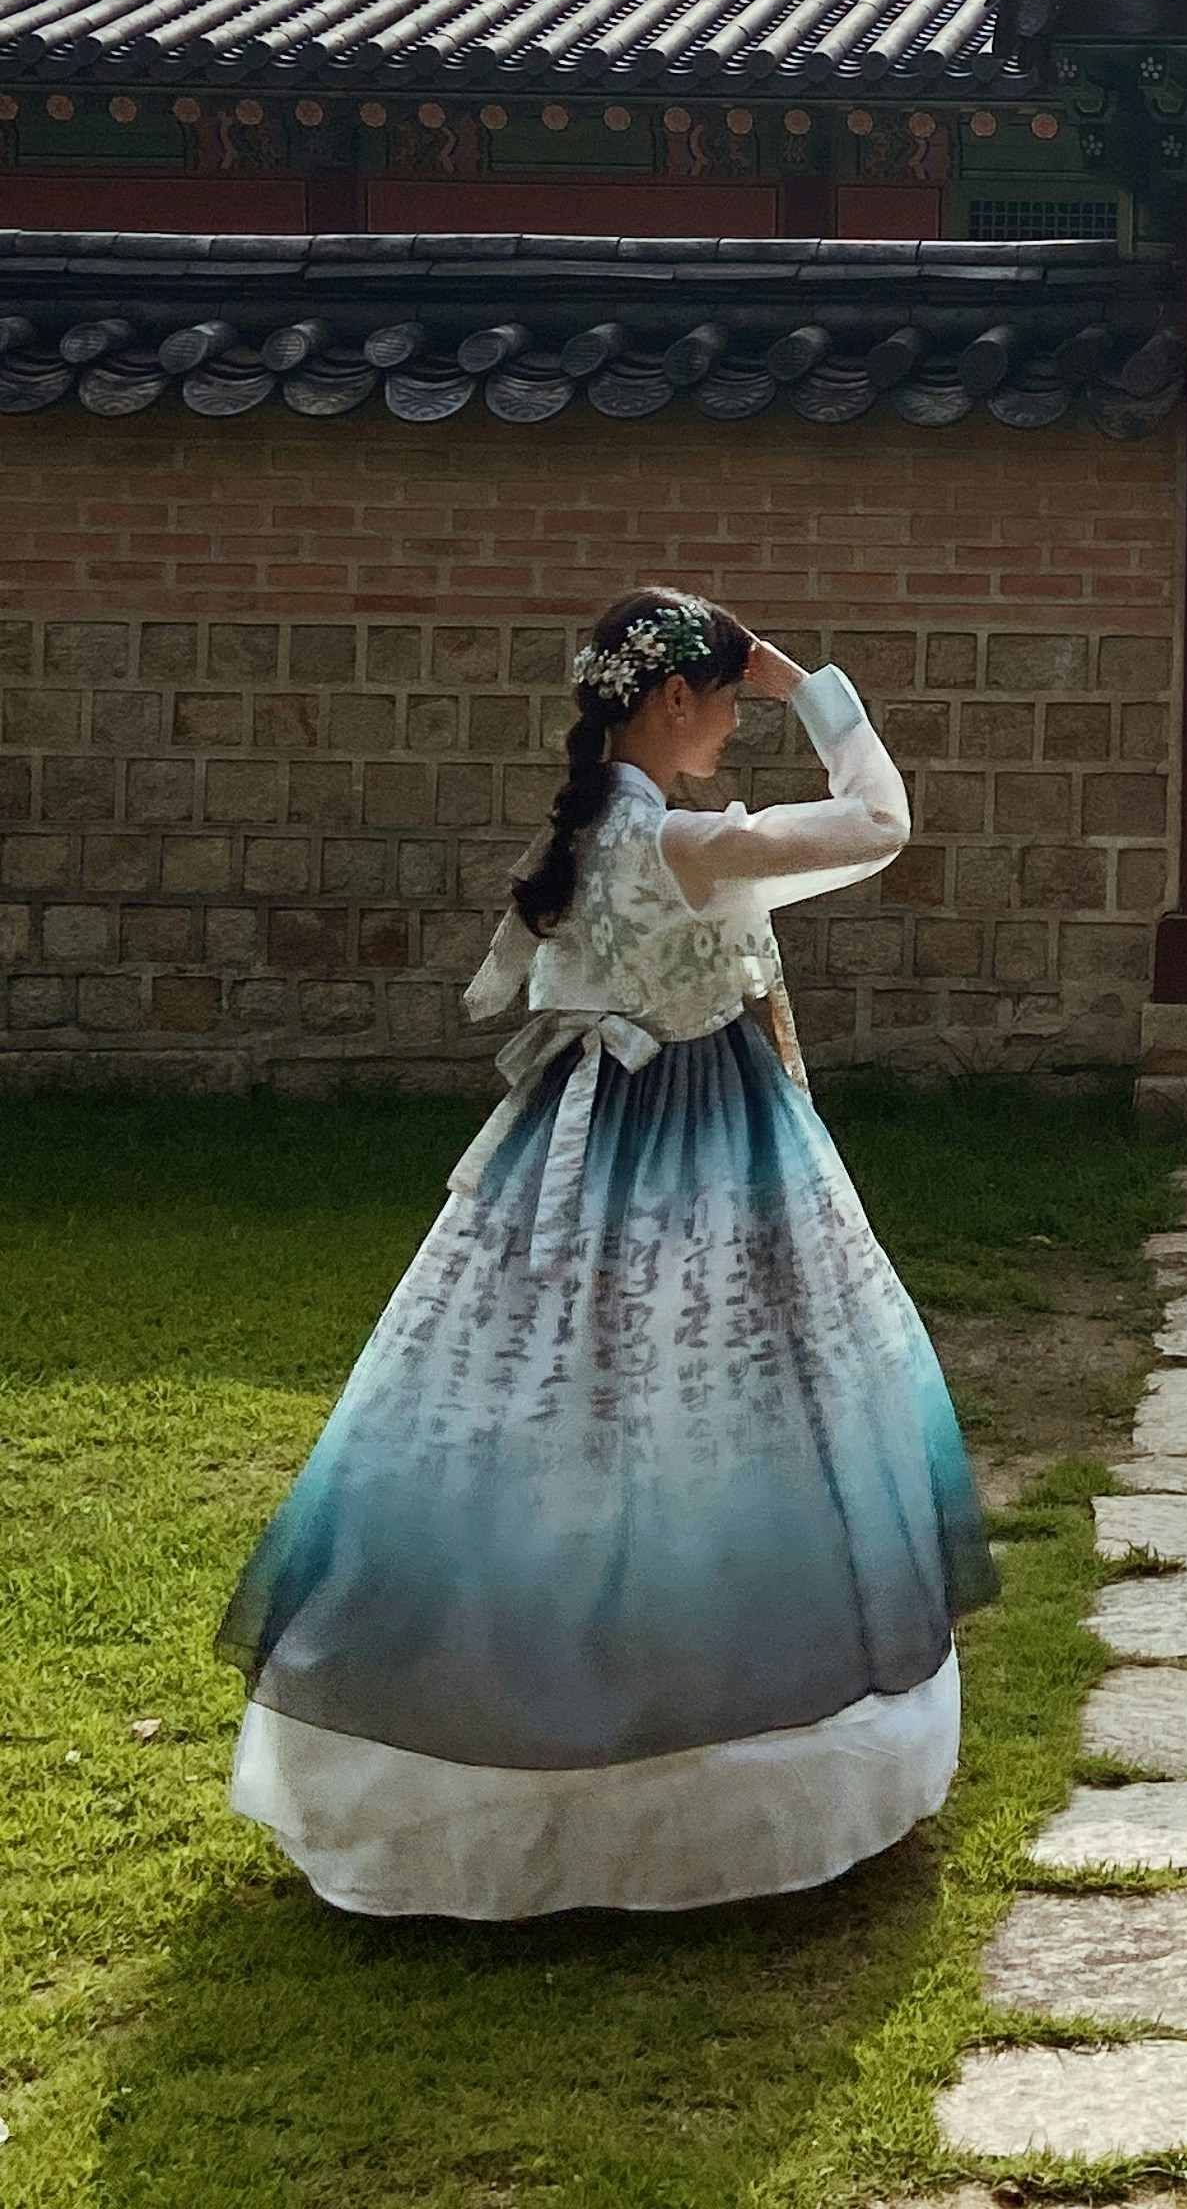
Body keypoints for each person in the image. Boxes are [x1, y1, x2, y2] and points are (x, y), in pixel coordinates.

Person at [220, 586, 996, 1921]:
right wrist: (809, 685)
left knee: (541, 1421)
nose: (728, 732)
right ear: (679, 701)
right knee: (720, 1417)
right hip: (711, 1148)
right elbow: (881, 824)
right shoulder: (683, 843)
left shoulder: (589, 835)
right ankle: (692, 1751)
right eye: (722, 707)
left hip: (563, 1156)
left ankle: (509, 1743)